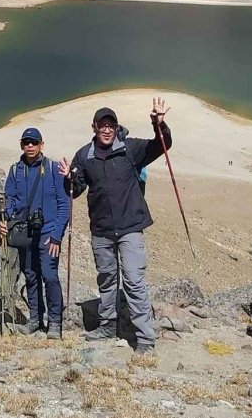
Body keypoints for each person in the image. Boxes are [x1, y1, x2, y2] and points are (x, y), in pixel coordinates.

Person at [59, 100, 172, 354]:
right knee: (107, 279)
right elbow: (75, 191)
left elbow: (162, 145)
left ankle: (145, 338)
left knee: (133, 281)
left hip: (130, 226)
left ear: (116, 127)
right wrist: (69, 178)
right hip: (101, 230)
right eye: (103, 126)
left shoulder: (130, 149)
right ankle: (108, 325)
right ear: (94, 127)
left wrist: (159, 124)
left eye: (111, 125)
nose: (107, 130)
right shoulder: (84, 156)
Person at [0, 127, 72, 339]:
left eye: (34, 142)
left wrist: (57, 234)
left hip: (49, 232)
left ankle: (55, 322)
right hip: (26, 232)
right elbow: (10, 200)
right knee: (30, 275)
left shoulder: (53, 169)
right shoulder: (16, 171)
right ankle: (35, 318)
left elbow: (64, 204)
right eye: (26, 142)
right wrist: (8, 220)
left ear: (42, 144)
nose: (30, 146)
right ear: (21, 145)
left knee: (49, 276)